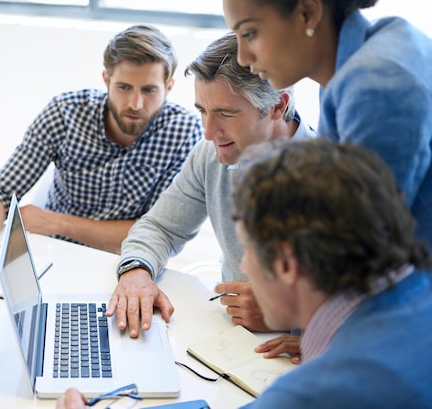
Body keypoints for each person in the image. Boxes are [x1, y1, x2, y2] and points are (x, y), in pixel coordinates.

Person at [56, 138, 432, 409]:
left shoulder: (316, 390)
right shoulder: (416, 296)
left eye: (248, 247)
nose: (243, 263)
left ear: (286, 265)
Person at [0, 24, 203, 294]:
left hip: (123, 265)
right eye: (124, 87)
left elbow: (152, 232)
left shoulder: (185, 132)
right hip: (50, 253)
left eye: (149, 90)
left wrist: (57, 223)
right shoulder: (65, 112)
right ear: (106, 80)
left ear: (169, 86)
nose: (135, 103)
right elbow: (0, 190)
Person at [106, 32, 315, 344]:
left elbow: (370, 306)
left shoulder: (330, 178)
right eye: (203, 110)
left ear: (277, 107)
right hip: (233, 337)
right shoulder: (215, 153)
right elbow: (160, 227)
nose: (208, 132)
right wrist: (136, 270)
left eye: (226, 114)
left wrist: (289, 315)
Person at [223, 0, 432, 249]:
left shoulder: (376, 84)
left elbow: (364, 237)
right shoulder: (352, 63)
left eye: (250, 33)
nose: (243, 58)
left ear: (307, 13)